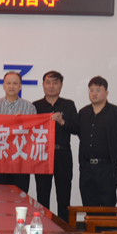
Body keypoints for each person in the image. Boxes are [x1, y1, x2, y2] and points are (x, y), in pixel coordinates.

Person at [77, 76, 117, 207]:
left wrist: (114, 152)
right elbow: (80, 134)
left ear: (106, 93)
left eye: (98, 90)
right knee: (88, 204)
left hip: (107, 168)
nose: (94, 93)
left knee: (108, 204)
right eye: (91, 90)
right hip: (87, 168)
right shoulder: (83, 113)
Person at [33, 71, 78, 222]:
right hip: (42, 155)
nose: (51, 86)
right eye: (48, 82)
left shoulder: (68, 105)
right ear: (43, 85)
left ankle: (64, 229)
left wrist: (63, 122)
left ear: (61, 85)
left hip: (62, 154)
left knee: (64, 196)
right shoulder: (35, 106)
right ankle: (42, 226)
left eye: (55, 82)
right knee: (42, 195)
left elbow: (77, 129)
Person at [0, 71, 37, 193]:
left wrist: (24, 123)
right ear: (3, 85)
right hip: (0, 159)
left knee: (20, 196)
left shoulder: (29, 107)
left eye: (15, 83)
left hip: (21, 159)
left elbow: (35, 133)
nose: (11, 86)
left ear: (20, 86)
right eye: (8, 83)